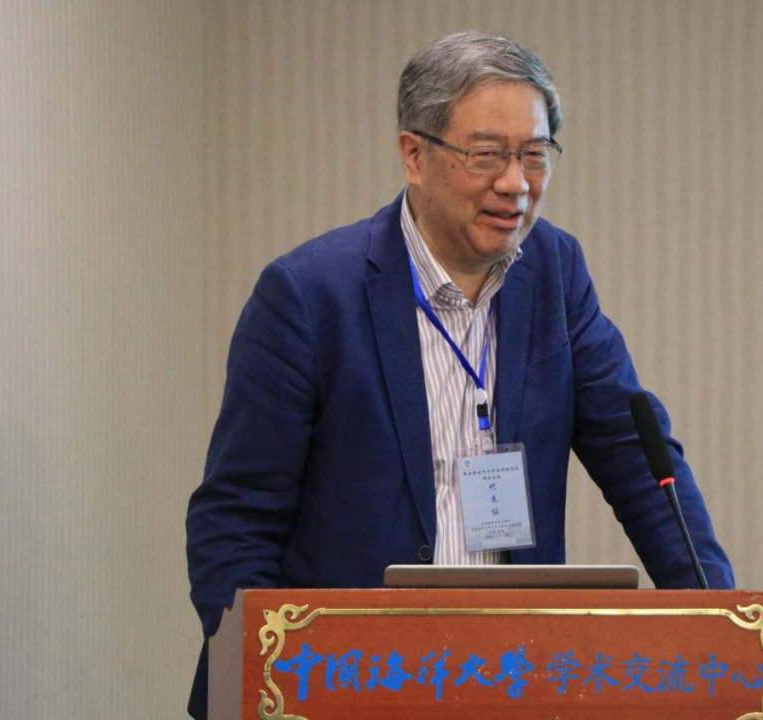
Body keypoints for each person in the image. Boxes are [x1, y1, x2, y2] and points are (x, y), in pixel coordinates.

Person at [185, 30, 733, 719]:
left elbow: (639, 462)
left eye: (535, 154)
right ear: (415, 155)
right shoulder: (309, 294)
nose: (516, 182)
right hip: (345, 684)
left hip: (505, 679)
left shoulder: (556, 273)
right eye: (487, 154)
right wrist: (266, 681)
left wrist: (721, 626)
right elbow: (235, 520)